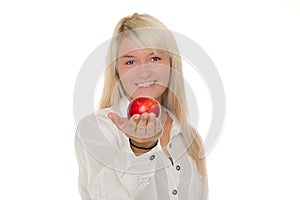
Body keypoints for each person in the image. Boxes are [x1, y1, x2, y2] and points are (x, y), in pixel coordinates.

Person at [75, 13, 208, 200]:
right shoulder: (96, 128)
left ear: (171, 63)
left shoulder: (190, 137)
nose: (144, 72)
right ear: (117, 71)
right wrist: (140, 148)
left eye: (154, 58)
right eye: (130, 62)